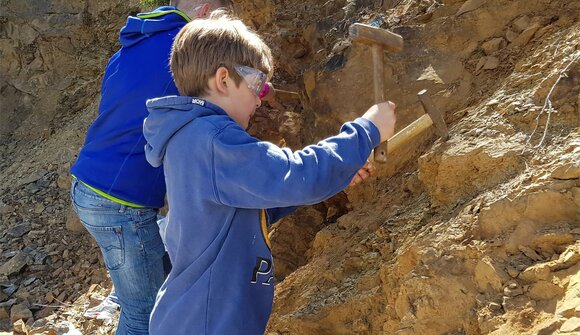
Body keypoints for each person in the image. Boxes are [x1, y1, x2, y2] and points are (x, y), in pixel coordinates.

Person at [142, 13, 396, 335]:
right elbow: (293, 174)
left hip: (196, 318)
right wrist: (367, 131)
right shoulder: (214, 139)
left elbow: (247, 208)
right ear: (223, 80)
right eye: (257, 85)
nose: (262, 98)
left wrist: (340, 174)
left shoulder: (192, 138)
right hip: (207, 323)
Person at [69, 1, 231, 334]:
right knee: (144, 314)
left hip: (91, 184)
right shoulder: (186, 49)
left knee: (152, 289)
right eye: (222, 25)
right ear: (204, 12)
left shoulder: (134, 44)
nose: (222, 38)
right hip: (121, 204)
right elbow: (217, 99)